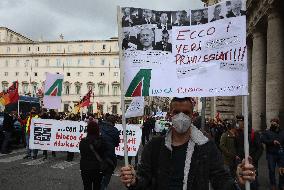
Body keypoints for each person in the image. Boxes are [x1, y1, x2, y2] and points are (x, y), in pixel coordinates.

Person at [120, 97, 256, 189]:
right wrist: (134, 181)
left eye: (185, 112)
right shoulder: (154, 146)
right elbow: (144, 179)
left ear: (192, 116)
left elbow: (220, 180)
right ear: (170, 115)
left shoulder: (206, 147)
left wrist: (238, 182)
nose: (181, 116)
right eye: (176, 112)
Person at [234, 115, 263, 190]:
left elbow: (260, 148)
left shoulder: (253, 133)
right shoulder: (237, 133)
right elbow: (237, 146)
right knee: (241, 180)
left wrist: (254, 159)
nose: (237, 124)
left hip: (251, 162)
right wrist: (237, 155)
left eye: (238, 122)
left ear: (244, 122)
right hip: (240, 161)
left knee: (252, 180)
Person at [80, 121, 107, 190]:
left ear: (88, 129)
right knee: (97, 186)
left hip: (85, 168)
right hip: (97, 168)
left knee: (87, 187)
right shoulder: (101, 141)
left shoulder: (83, 141)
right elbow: (104, 154)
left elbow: (82, 153)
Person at [261, 118, 284, 190]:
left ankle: (281, 184)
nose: (273, 125)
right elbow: (263, 140)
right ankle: (273, 184)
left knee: (282, 170)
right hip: (271, 154)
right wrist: (272, 142)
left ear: (278, 124)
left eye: (274, 124)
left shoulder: (282, 132)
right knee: (271, 170)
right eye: (272, 124)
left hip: (281, 154)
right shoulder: (267, 132)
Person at [99, 114, 120, 190]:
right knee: (109, 171)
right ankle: (103, 186)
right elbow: (117, 143)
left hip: (99, 153)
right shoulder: (115, 130)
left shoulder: (100, 127)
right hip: (109, 154)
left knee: (100, 169)